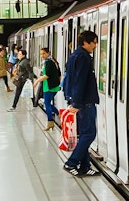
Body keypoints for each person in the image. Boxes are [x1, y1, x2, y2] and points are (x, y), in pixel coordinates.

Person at [63, 31, 100, 177]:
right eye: (94, 42)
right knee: (89, 133)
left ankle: (85, 166)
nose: (95, 46)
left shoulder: (74, 56)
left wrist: (70, 98)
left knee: (84, 134)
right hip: (85, 102)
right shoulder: (84, 58)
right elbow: (80, 81)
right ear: (85, 42)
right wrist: (77, 104)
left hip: (79, 100)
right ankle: (71, 163)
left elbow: (69, 78)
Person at [32, 47, 61, 131]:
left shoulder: (49, 63)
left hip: (49, 87)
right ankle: (58, 114)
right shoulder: (53, 61)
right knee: (47, 103)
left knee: (47, 104)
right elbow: (59, 74)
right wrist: (58, 84)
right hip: (53, 86)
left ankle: (50, 122)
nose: (42, 56)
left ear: (48, 53)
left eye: (44, 53)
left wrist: (37, 81)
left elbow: (46, 75)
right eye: (41, 54)